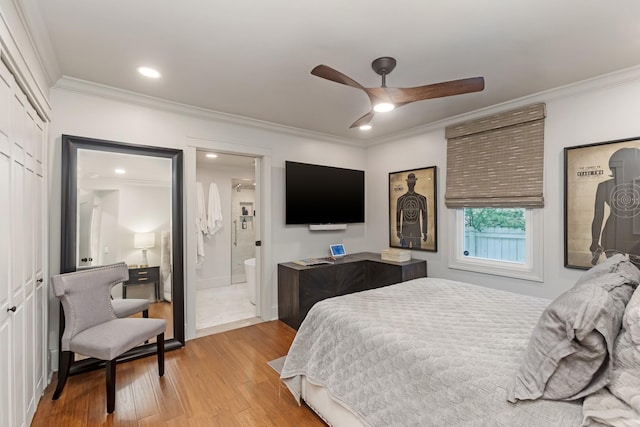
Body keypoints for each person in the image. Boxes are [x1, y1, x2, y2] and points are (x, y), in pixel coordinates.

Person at [590, 147, 640, 264]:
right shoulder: (604, 186)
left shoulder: (604, 186)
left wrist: (595, 241)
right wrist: (594, 241)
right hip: (629, 237)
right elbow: (598, 216)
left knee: (615, 272)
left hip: (612, 236)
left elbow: (598, 216)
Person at [396, 173, 428, 248]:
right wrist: (398, 230)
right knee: (403, 253)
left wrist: (424, 232)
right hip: (404, 233)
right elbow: (398, 216)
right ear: (407, 183)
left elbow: (424, 216)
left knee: (419, 253)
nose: (411, 183)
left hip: (416, 232)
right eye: (409, 182)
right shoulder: (401, 199)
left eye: (412, 181)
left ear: (415, 183)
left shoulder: (421, 199)